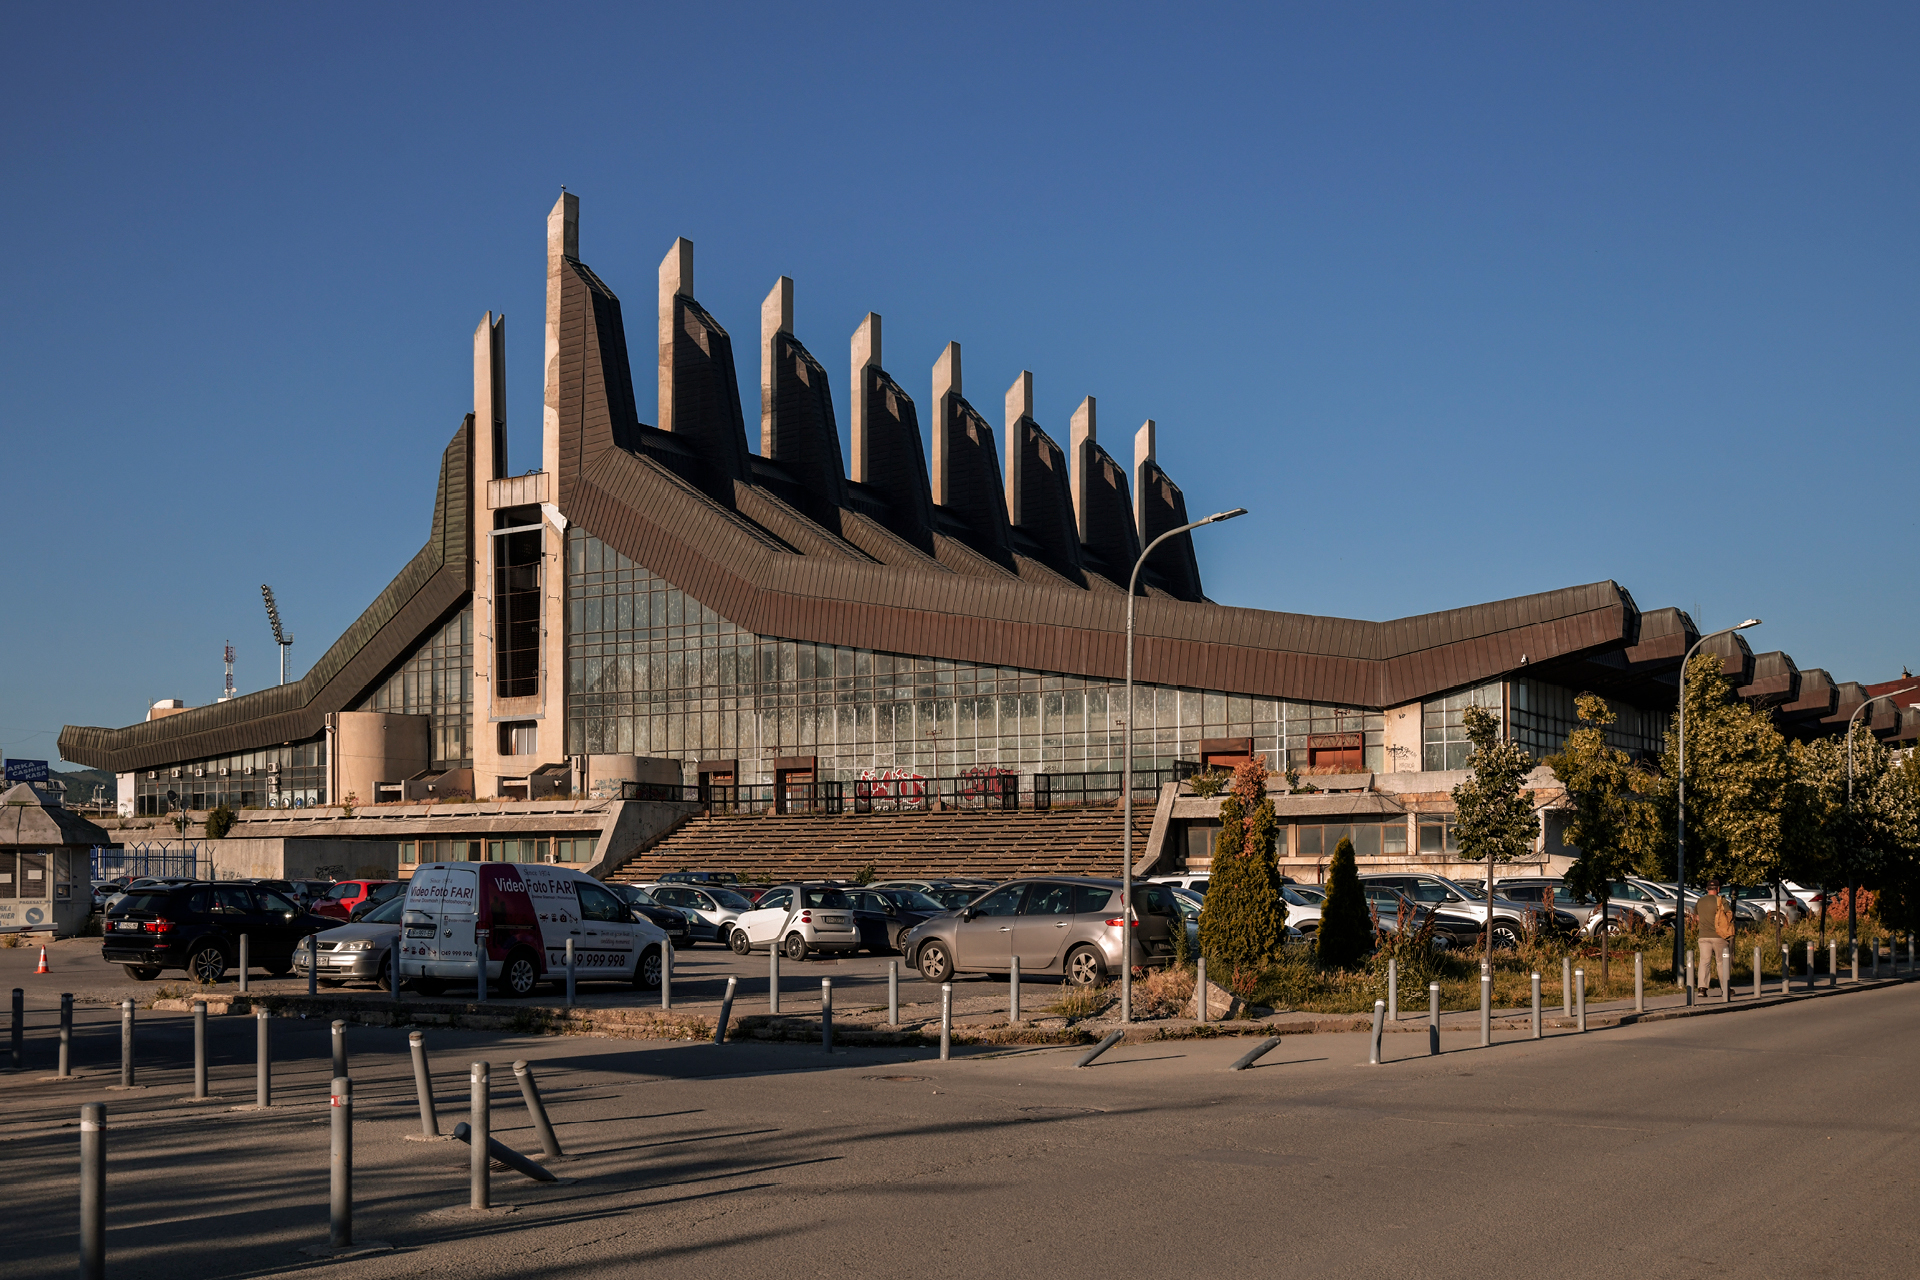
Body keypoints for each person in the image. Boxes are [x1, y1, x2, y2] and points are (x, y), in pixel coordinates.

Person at [1695, 879, 1735, 997]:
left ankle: (1702, 988)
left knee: (1704, 962)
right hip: (1719, 936)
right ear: (1718, 889)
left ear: (1707, 889)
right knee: (1721, 963)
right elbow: (1729, 916)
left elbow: (1697, 917)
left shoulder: (1700, 901)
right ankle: (1725, 989)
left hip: (1703, 936)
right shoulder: (1721, 901)